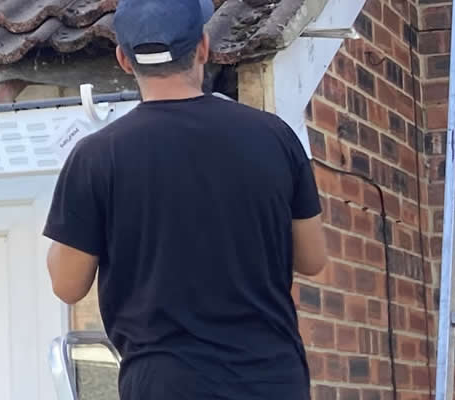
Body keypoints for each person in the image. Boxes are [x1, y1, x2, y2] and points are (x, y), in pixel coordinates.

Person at [40, 0, 331, 397]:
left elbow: (67, 284)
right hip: (271, 380)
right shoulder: (275, 136)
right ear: (203, 48)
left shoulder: (97, 156)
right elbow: (312, 258)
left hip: (166, 384)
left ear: (123, 59)